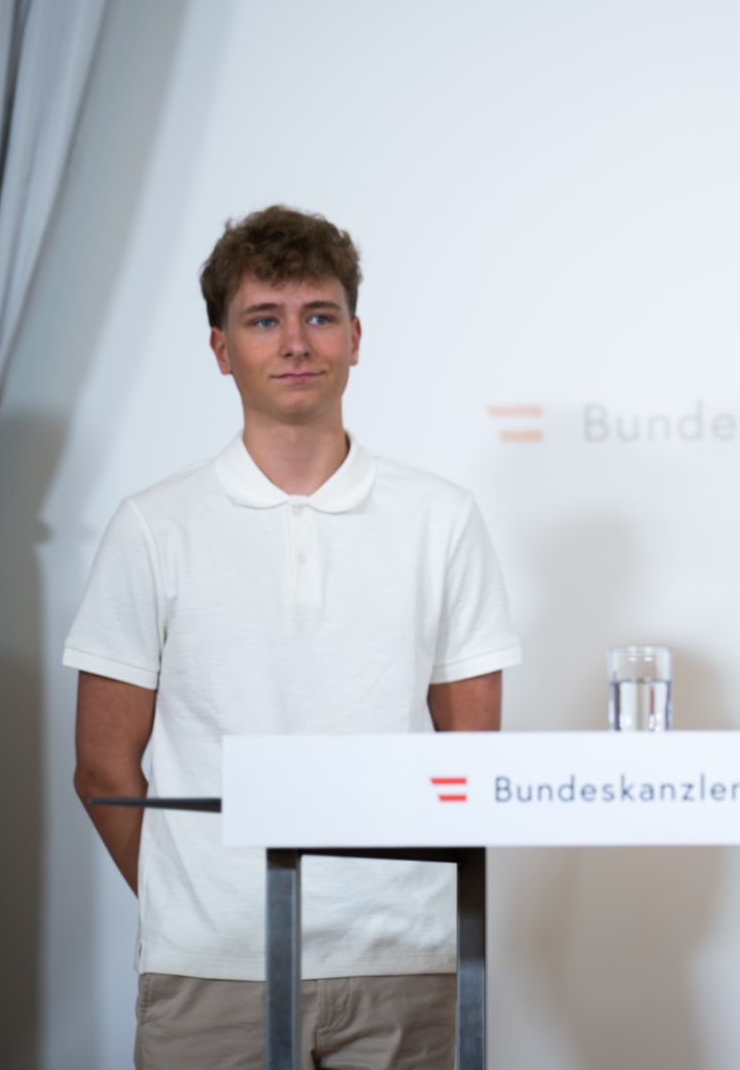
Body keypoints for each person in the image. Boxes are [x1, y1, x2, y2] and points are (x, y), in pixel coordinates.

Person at [67, 206, 522, 1069]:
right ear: (219, 347)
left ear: (356, 335)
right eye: (263, 319)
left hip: (403, 957)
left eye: (318, 316)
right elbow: (101, 768)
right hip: (209, 969)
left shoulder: (441, 518)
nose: (295, 343)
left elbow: (472, 757)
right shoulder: (153, 526)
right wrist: (194, 901)